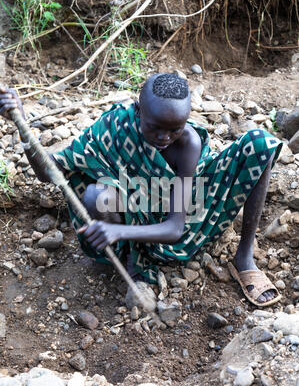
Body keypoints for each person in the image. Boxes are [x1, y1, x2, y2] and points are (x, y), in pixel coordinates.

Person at [0, 74, 283, 307]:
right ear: (138, 111)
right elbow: (48, 173)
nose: (164, 138)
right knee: (96, 196)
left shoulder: (188, 144)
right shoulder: (115, 126)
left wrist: (118, 230)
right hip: (133, 205)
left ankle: (244, 256)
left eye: (174, 129)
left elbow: (175, 229)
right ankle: (129, 259)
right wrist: (22, 124)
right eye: (155, 128)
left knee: (260, 142)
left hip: (186, 216)